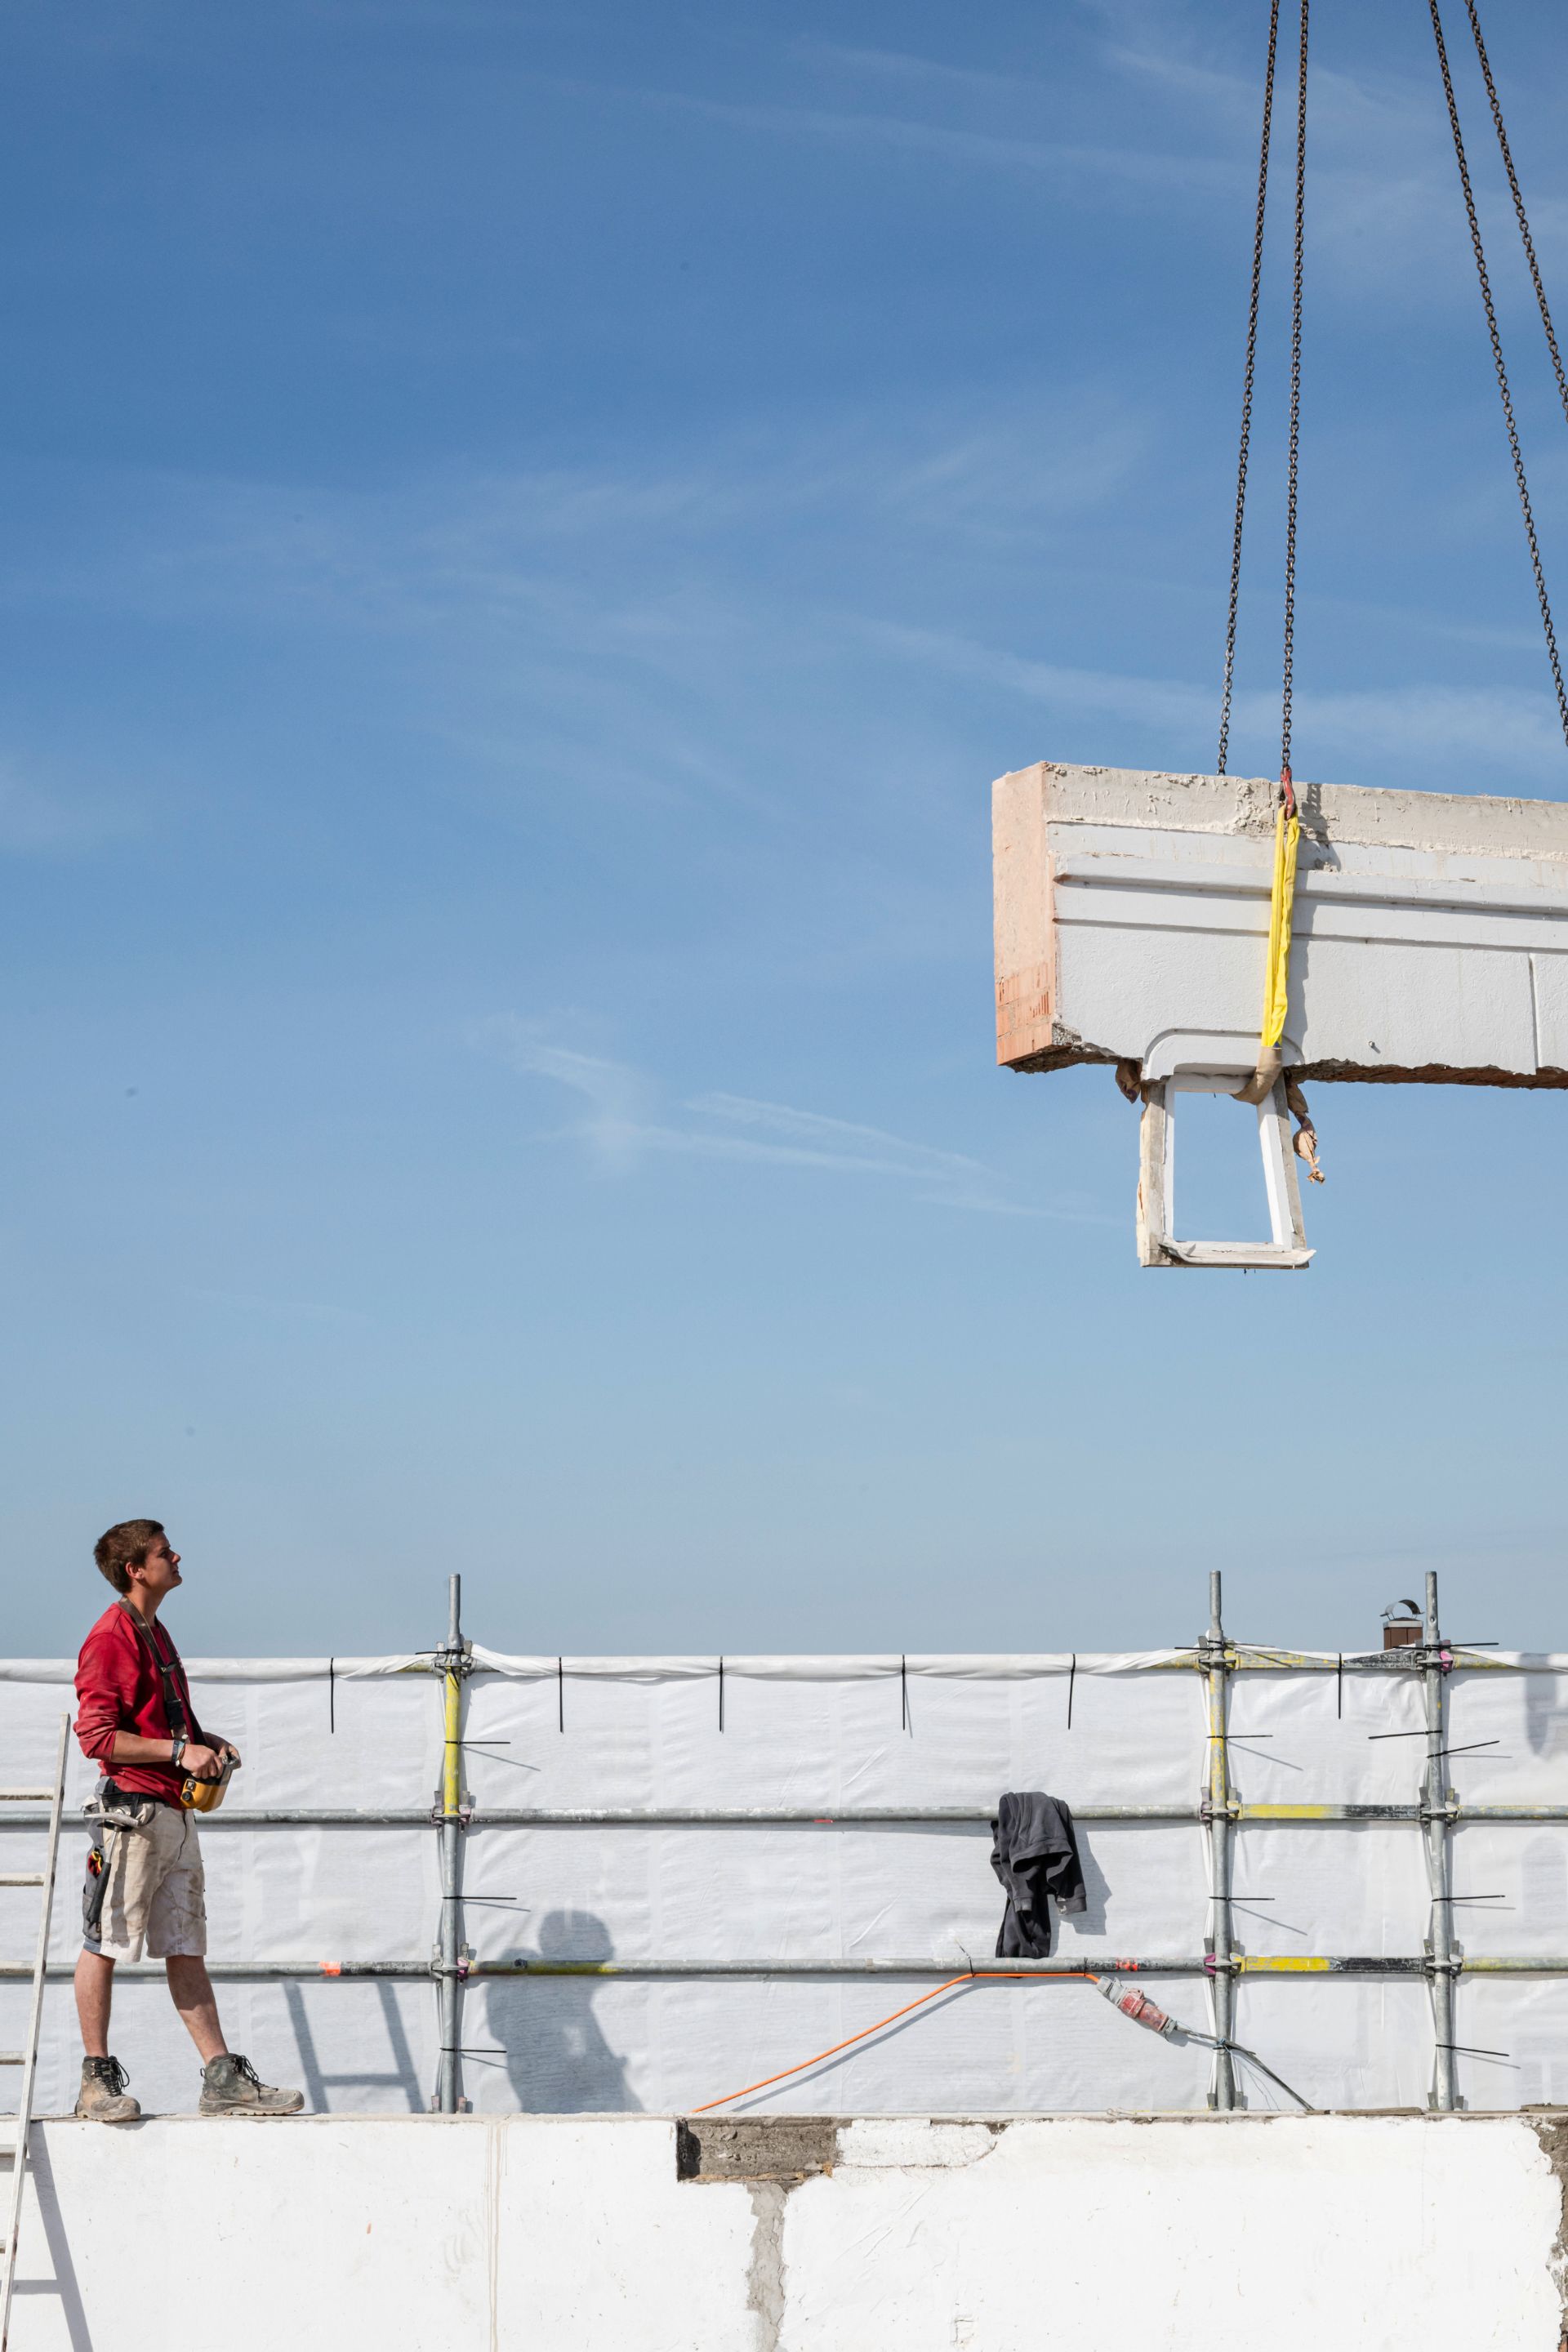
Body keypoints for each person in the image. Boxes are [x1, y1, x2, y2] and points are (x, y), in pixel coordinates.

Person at [72, 1517, 303, 2122]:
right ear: (136, 1570)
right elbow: (97, 1737)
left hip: (170, 1812)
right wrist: (180, 1752)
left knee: (185, 1943)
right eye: (163, 1552)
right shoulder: (110, 1638)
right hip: (131, 1814)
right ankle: (95, 2080)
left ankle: (220, 2077)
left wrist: (204, 1741)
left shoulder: (154, 1631)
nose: (178, 1557)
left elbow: (154, 1721)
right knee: (105, 1943)